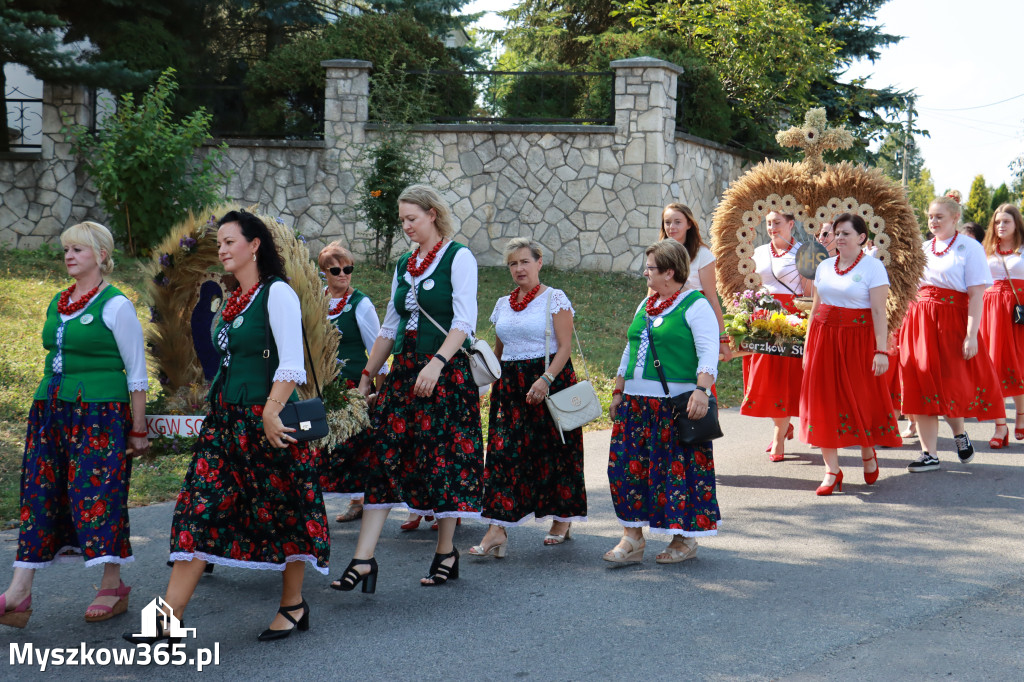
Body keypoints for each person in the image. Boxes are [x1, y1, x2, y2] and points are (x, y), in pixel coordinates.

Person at [124, 210, 329, 643]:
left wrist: (271, 411)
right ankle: (167, 619)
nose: (221, 250)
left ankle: (293, 606)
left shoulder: (278, 294)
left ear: (255, 245)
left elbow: (291, 363)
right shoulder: (235, 299)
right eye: (219, 243)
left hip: (269, 422)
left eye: (230, 242)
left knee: (285, 515)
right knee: (198, 510)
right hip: (225, 424)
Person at [331, 184, 483, 591]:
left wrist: (436, 363)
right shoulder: (405, 263)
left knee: (444, 463)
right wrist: (366, 377)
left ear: (433, 214)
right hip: (403, 373)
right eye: (402, 220)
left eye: (412, 218)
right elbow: (388, 327)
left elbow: (464, 323)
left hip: (445, 374)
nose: (407, 227)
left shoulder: (458, 257)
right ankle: (363, 559)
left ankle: (446, 551)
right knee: (382, 458)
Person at [0, 222, 149, 629]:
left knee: (98, 493)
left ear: (101, 255)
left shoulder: (117, 305)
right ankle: (19, 590)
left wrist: (138, 427)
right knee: (39, 489)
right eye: (66, 249)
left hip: (100, 412)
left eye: (79, 249)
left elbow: (136, 372)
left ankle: (112, 584)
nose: (69, 256)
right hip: (50, 409)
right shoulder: (57, 301)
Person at [469, 238, 587, 558]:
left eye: (524, 261)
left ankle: (562, 518)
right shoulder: (503, 303)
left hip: (549, 378)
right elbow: (498, 350)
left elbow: (564, 347)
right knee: (503, 454)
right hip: (509, 387)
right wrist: (484, 384)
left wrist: (545, 379)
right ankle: (497, 528)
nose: (519, 268)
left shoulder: (555, 298)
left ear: (539, 262)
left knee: (555, 452)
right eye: (512, 263)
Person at [605, 240, 720, 564]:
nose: (645, 272)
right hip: (636, 405)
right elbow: (630, 348)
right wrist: (618, 390)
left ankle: (684, 539)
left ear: (669, 272)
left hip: (673, 407)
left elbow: (709, 351)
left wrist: (702, 390)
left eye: (651, 267)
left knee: (676, 473)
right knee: (627, 471)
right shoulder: (646, 303)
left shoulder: (695, 305)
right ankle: (632, 538)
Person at [899, 193, 1002, 471]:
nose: (933, 221)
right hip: (919, 321)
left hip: (951, 321)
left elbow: (977, 293)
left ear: (955, 218)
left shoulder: (970, 248)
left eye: (939, 217)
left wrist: (971, 335)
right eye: (930, 216)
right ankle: (928, 454)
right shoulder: (923, 248)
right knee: (920, 383)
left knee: (949, 385)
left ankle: (959, 435)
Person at [800, 214, 900, 495]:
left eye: (845, 233)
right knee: (823, 401)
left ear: (861, 238)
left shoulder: (874, 268)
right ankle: (832, 470)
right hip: (824, 338)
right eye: (836, 233)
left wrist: (881, 350)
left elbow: (879, 312)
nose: (839, 238)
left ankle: (868, 452)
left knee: (859, 399)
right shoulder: (824, 266)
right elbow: (816, 308)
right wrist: (808, 348)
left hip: (858, 340)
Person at [315, 242, 386, 523]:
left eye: (348, 269)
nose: (343, 274)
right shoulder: (316, 301)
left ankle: (359, 500)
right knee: (321, 442)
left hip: (354, 384)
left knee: (355, 442)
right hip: (323, 384)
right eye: (336, 270)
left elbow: (377, 345)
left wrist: (379, 388)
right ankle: (319, 500)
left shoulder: (361, 304)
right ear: (324, 273)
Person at [740, 211, 813, 461]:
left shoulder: (804, 251)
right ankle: (783, 425)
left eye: (778, 223)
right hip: (763, 318)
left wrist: (804, 322)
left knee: (786, 379)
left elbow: (808, 291)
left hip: (792, 318)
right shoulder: (759, 251)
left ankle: (778, 435)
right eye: (769, 223)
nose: (772, 227)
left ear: (791, 224)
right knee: (765, 379)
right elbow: (751, 283)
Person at [660, 203, 731, 361]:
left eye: (677, 222)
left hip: (693, 322)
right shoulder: (658, 254)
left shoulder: (702, 255)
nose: (671, 227)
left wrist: (723, 339)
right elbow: (652, 294)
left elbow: (712, 298)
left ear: (689, 224)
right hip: (662, 321)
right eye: (667, 222)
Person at [980, 205, 1024, 448]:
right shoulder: (986, 251)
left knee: (1016, 366)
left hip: (1016, 313)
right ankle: (1000, 427)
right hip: (990, 312)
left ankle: (1020, 415)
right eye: (997, 222)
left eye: (1006, 221)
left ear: (1017, 223)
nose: (1001, 226)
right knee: (992, 368)